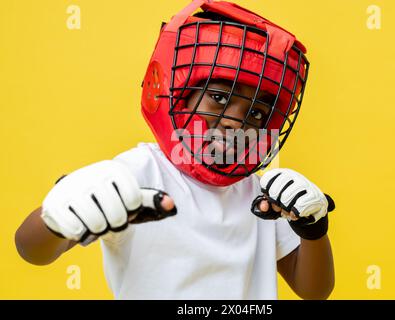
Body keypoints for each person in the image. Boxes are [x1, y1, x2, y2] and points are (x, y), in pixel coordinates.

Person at [15, 0, 335, 299]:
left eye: (256, 113)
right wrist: (57, 218)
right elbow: (33, 250)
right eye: (220, 98)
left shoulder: (262, 196)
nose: (236, 123)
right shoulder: (138, 171)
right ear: (181, 95)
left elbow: (314, 291)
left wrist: (313, 227)